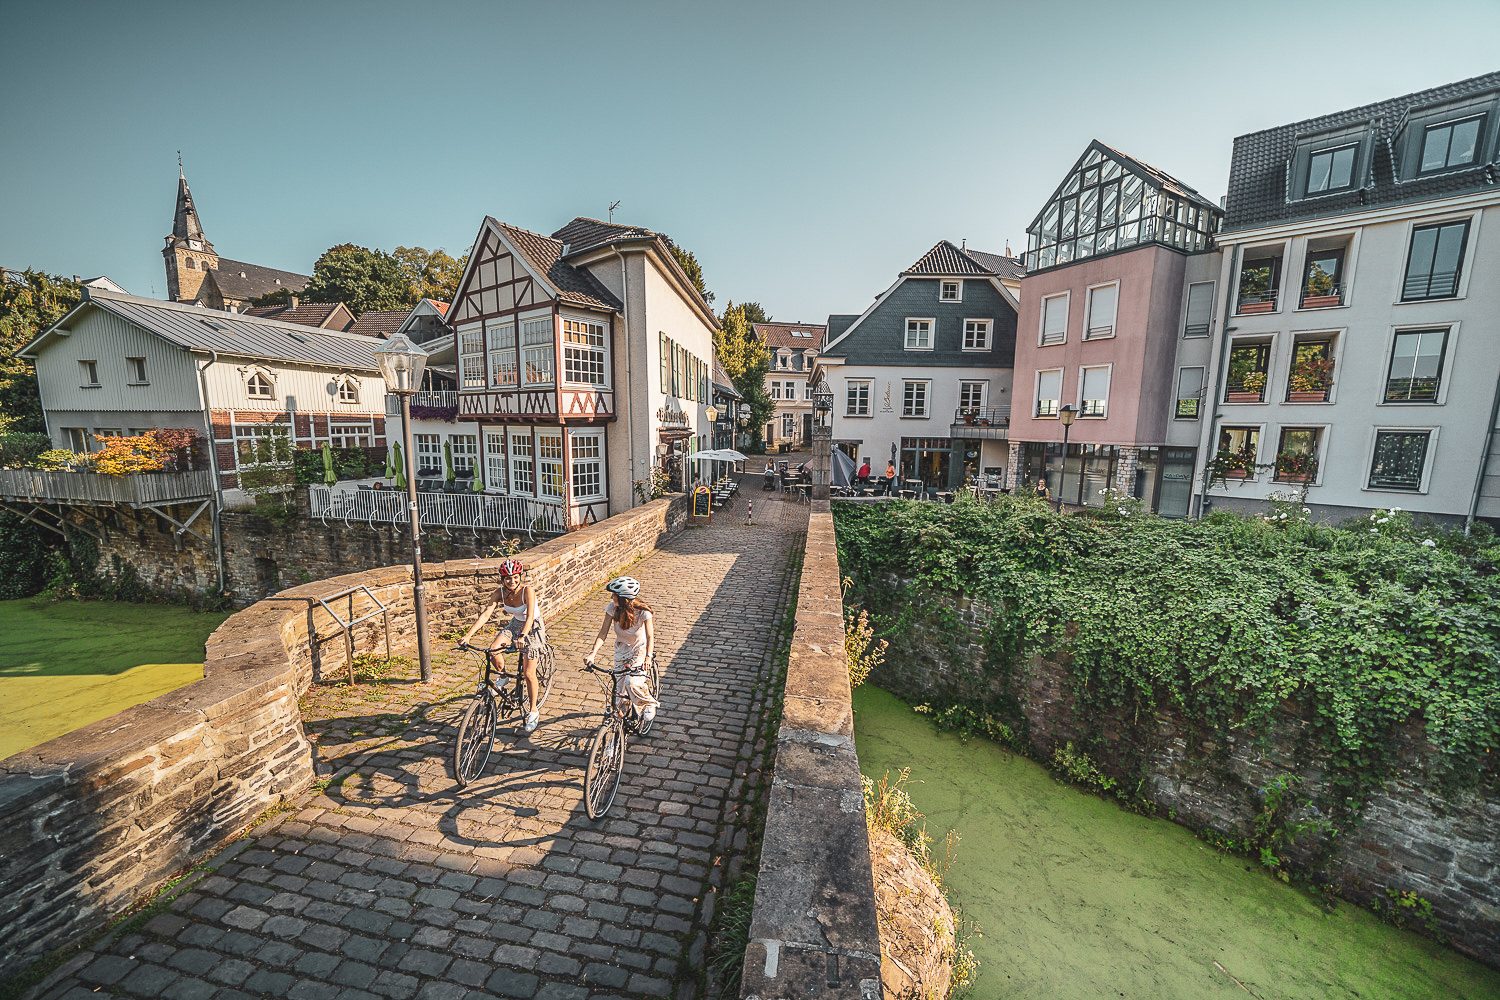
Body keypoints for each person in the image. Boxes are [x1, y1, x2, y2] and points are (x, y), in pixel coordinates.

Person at [460, 558, 547, 733]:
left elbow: (530, 617)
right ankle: (503, 676)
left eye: (515, 577)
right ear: (502, 579)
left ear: (520, 577)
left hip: (533, 628)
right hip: (515, 625)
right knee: (493, 650)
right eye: (508, 578)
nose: (512, 581)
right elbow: (485, 615)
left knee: (528, 673)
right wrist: (468, 636)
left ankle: (533, 711)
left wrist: (523, 635)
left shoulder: (527, 590)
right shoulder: (499, 593)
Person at [586, 577, 659, 729]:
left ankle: (648, 703)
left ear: (624, 599)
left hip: (639, 651)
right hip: (621, 651)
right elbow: (603, 633)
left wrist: (648, 657)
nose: (612, 598)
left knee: (631, 682)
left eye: (614, 595)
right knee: (618, 697)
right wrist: (592, 653)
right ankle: (615, 739)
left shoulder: (643, 612)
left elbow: (650, 636)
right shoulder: (612, 608)